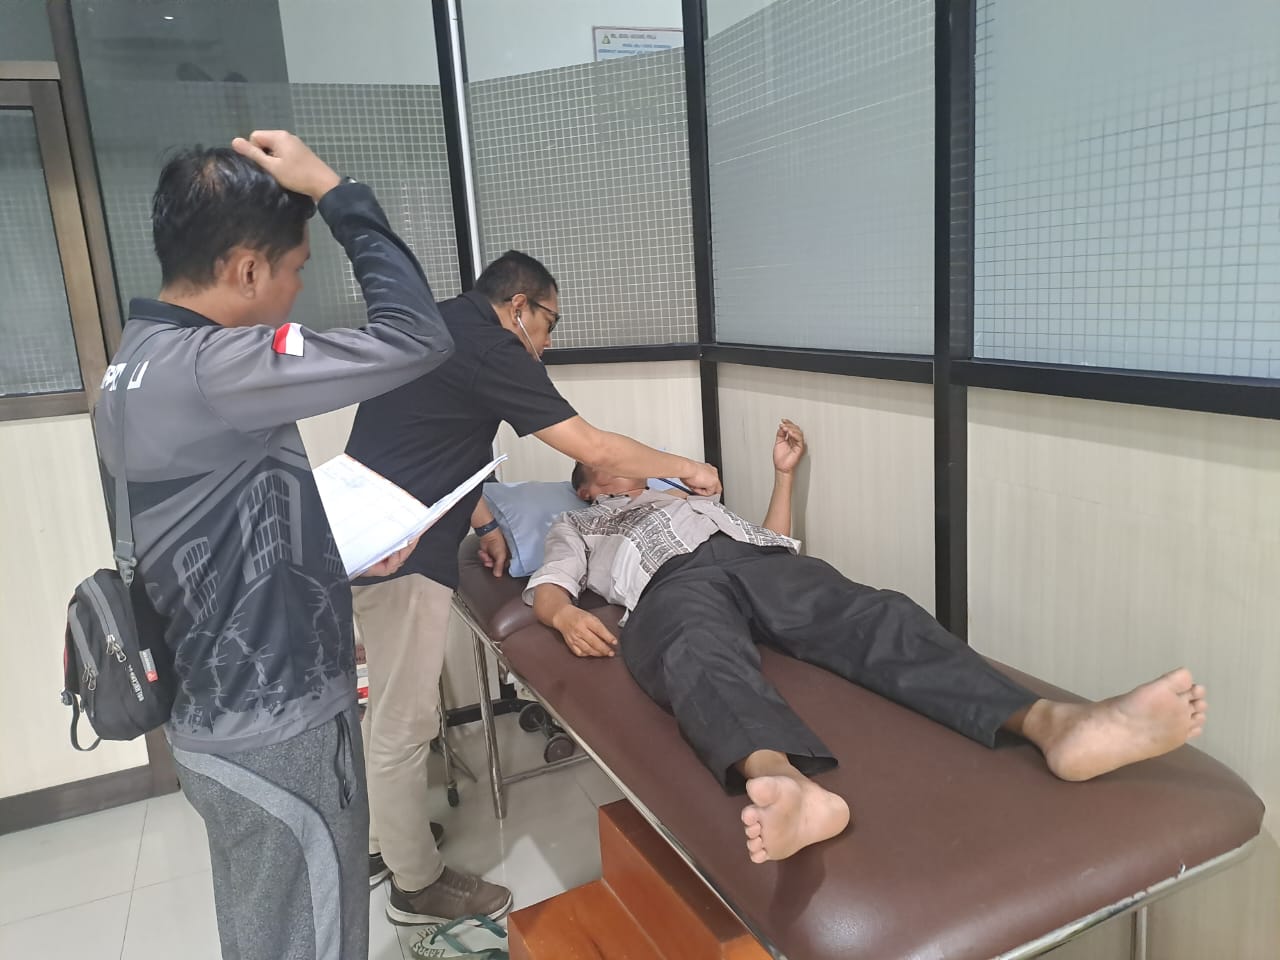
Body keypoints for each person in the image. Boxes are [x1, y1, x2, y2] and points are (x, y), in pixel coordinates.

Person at [527, 420, 1210, 864]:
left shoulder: (690, 498)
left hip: (755, 559)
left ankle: (1055, 723)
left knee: (875, 614)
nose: (630, 470)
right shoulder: (579, 522)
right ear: (588, 486)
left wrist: (783, 476)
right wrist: (563, 619)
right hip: (670, 587)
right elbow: (551, 585)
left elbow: (775, 540)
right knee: (697, 653)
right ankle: (784, 783)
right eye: (611, 467)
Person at [92, 131, 455, 960]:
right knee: (312, 937)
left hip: (209, 718)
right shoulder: (214, 366)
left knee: (268, 930)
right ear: (247, 270)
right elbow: (417, 336)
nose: (298, 290)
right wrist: (335, 189)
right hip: (277, 727)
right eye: (296, 269)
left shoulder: (132, 361)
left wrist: (330, 556)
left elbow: (208, 523)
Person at [343, 249, 722, 925]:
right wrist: (687, 468)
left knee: (390, 719)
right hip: (401, 554)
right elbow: (593, 449)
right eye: (549, 323)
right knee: (404, 723)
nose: (546, 342)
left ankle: (382, 844)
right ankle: (415, 886)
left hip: (370, 530)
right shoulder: (491, 348)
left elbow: (432, 441)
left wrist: (486, 521)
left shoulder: (437, 323)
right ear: (520, 306)